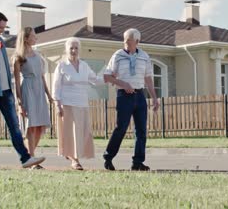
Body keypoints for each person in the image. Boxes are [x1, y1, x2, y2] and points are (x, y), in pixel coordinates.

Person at [0, 12, 45, 169]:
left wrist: (12, 89)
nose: (2, 31)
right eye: (0, 27)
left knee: (15, 127)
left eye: (4, 27)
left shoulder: (0, 41)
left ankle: (25, 158)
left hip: (6, 91)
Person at [103, 28, 159, 171]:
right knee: (121, 128)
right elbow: (107, 76)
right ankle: (108, 158)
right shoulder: (118, 55)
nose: (125, 43)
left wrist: (154, 98)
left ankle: (138, 162)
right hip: (124, 96)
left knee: (141, 131)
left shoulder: (145, 57)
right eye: (124, 40)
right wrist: (124, 84)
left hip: (140, 96)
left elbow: (148, 79)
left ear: (137, 41)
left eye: (128, 40)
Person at [52, 37, 104, 170]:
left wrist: (109, 77)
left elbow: (95, 80)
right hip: (67, 104)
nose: (74, 51)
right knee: (71, 133)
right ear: (66, 50)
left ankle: (72, 155)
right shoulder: (62, 66)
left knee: (83, 132)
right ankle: (75, 160)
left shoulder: (84, 65)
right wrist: (57, 105)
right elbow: (56, 86)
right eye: (71, 48)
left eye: (76, 48)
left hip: (82, 103)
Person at [13, 27, 53, 169]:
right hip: (28, 90)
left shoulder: (38, 55)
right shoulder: (18, 57)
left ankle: (30, 157)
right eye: (33, 36)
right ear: (26, 38)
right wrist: (19, 102)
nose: (36, 38)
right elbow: (17, 82)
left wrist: (48, 94)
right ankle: (32, 160)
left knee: (40, 125)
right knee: (31, 125)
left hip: (39, 90)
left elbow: (42, 76)